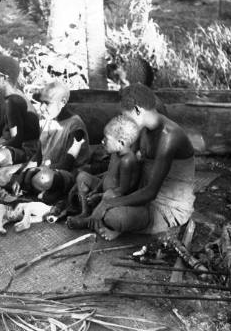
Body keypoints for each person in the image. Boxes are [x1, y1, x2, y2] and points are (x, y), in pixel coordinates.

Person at [74, 83, 195, 241]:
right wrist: (106, 193)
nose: (124, 121)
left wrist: (108, 203)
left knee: (114, 216)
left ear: (138, 110)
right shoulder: (143, 129)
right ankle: (102, 217)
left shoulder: (169, 136)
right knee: (87, 183)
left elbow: (151, 192)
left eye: (125, 115)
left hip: (164, 207)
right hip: (142, 196)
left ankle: (117, 224)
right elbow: (134, 172)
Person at [0, 81, 91, 205]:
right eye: (41, 102)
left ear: (62, 102)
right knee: (1, 174)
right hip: (41, 168)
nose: (41, 107)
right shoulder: (47, 120)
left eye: (47, 103)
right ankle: (39, 192)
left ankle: (42, 192)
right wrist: (23, 173)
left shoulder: (75, 126)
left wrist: (33, 171)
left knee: (42, 179)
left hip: (63, 174)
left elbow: (67, 164)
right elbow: (38, 155)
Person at [67, 114, 141, 228]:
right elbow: (109, 174)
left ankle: (90, 221)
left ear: (121, 143)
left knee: (109, 194)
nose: (102, 141)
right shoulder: (115, 154)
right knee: (82, 176)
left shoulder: (127, 160)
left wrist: (100, 195)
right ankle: (85, 212)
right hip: (105, 191)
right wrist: (96, 189)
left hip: (115, 199)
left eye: (106, 138)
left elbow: (123, 190)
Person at [0, 56, 40, 170]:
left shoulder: (13, 101)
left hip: (27, 149)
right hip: (14, 144)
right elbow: (1, 127)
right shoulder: (4, 97)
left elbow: (17, 139)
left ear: (3, 78)